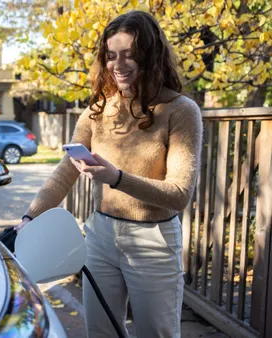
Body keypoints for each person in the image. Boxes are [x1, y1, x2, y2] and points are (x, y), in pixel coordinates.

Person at [15, 10, 203, 338]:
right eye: (111, 55)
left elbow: (179, 193)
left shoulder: (180, 111)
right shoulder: (97, 110)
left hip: (153, 241)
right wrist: (30, 217)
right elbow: (64, 174)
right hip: (101, 235)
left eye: (130, 55)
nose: (118, 64)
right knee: (101, 332)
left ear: (151, 56)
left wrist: (117, 178)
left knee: (155, 333)